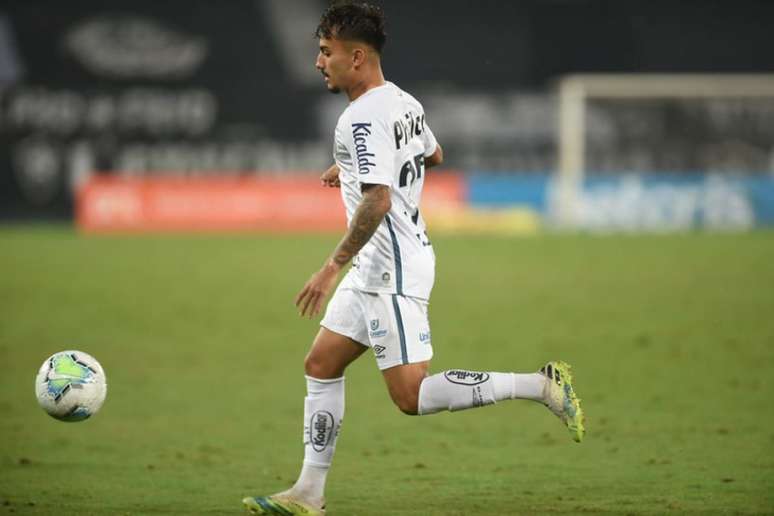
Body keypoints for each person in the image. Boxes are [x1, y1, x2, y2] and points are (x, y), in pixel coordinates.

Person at [243, 2, 584, 514]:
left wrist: (330, 266)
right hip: (382, 265)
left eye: (326, 52)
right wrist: (353, 167)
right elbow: (434, 153)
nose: (318, 62)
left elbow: (378, 200)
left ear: (356, 58)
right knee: (321, 363)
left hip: (391, 268)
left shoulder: (359, 118)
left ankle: (541, 386)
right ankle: (308, 494)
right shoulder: (403, 101)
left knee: (410, 395)